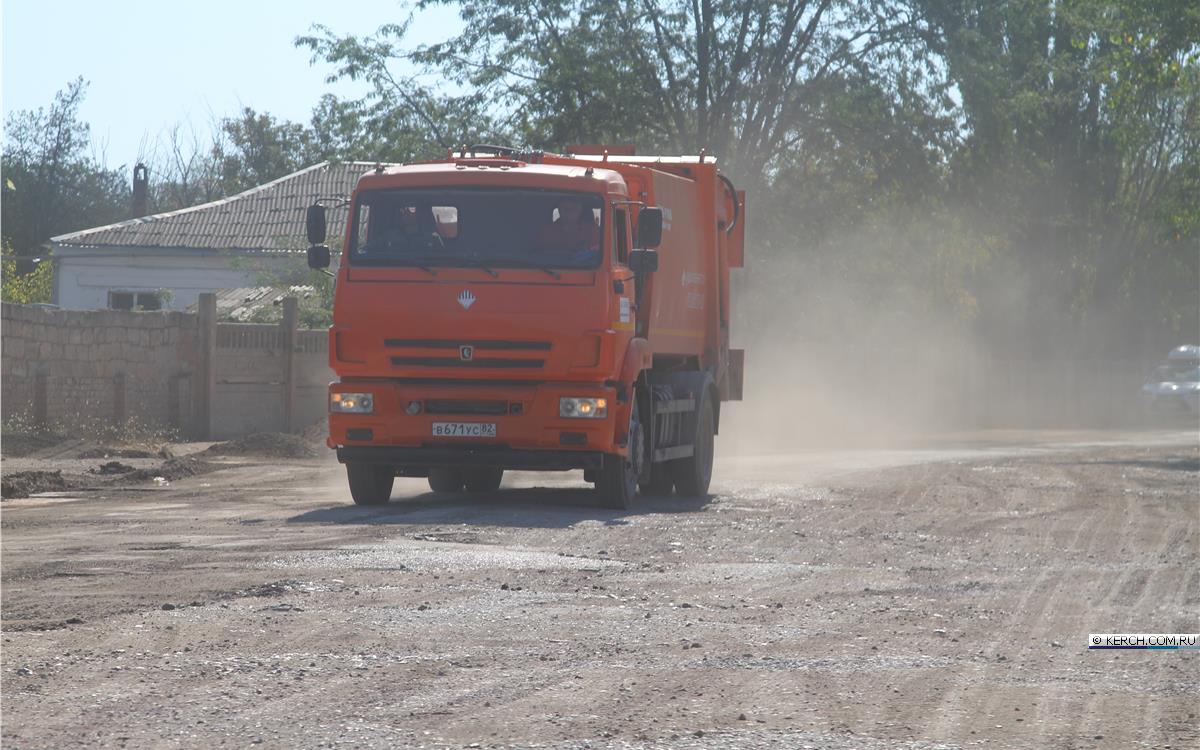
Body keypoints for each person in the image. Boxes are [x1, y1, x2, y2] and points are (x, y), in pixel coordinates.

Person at [534, 198, 600, 257]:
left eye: (574, 208)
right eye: (565, 208)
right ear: (559, 210)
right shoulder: (547, 232)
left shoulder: (593, 230)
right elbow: (538, 255)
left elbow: (599, 252)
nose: (569, 212)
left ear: (580, 210)